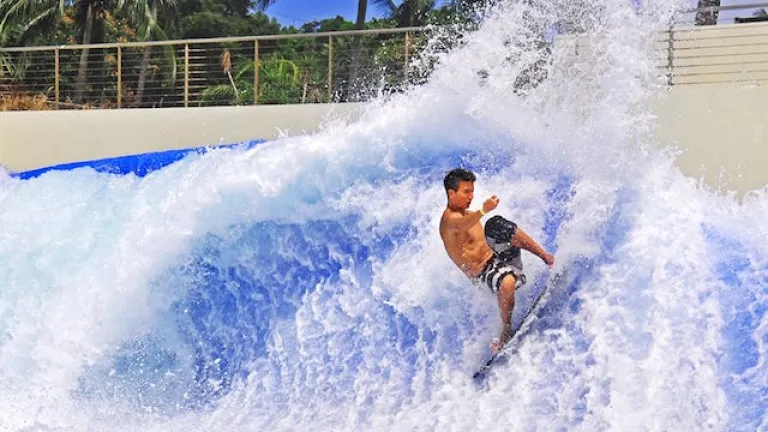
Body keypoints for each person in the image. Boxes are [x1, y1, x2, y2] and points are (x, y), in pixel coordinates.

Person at [439, 168, 555, 352]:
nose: (471, 196)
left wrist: (486, 213)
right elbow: (461, 225)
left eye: (472, 191)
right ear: (451, 193)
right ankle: (506, 331)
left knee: (496, 225)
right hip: (484, 274)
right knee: (507, 282)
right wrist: (484, 209)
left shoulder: (467, 213)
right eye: (466, 191)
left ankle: (547, 258)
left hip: (499, 258)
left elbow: (476, 224)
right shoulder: (449, 220)